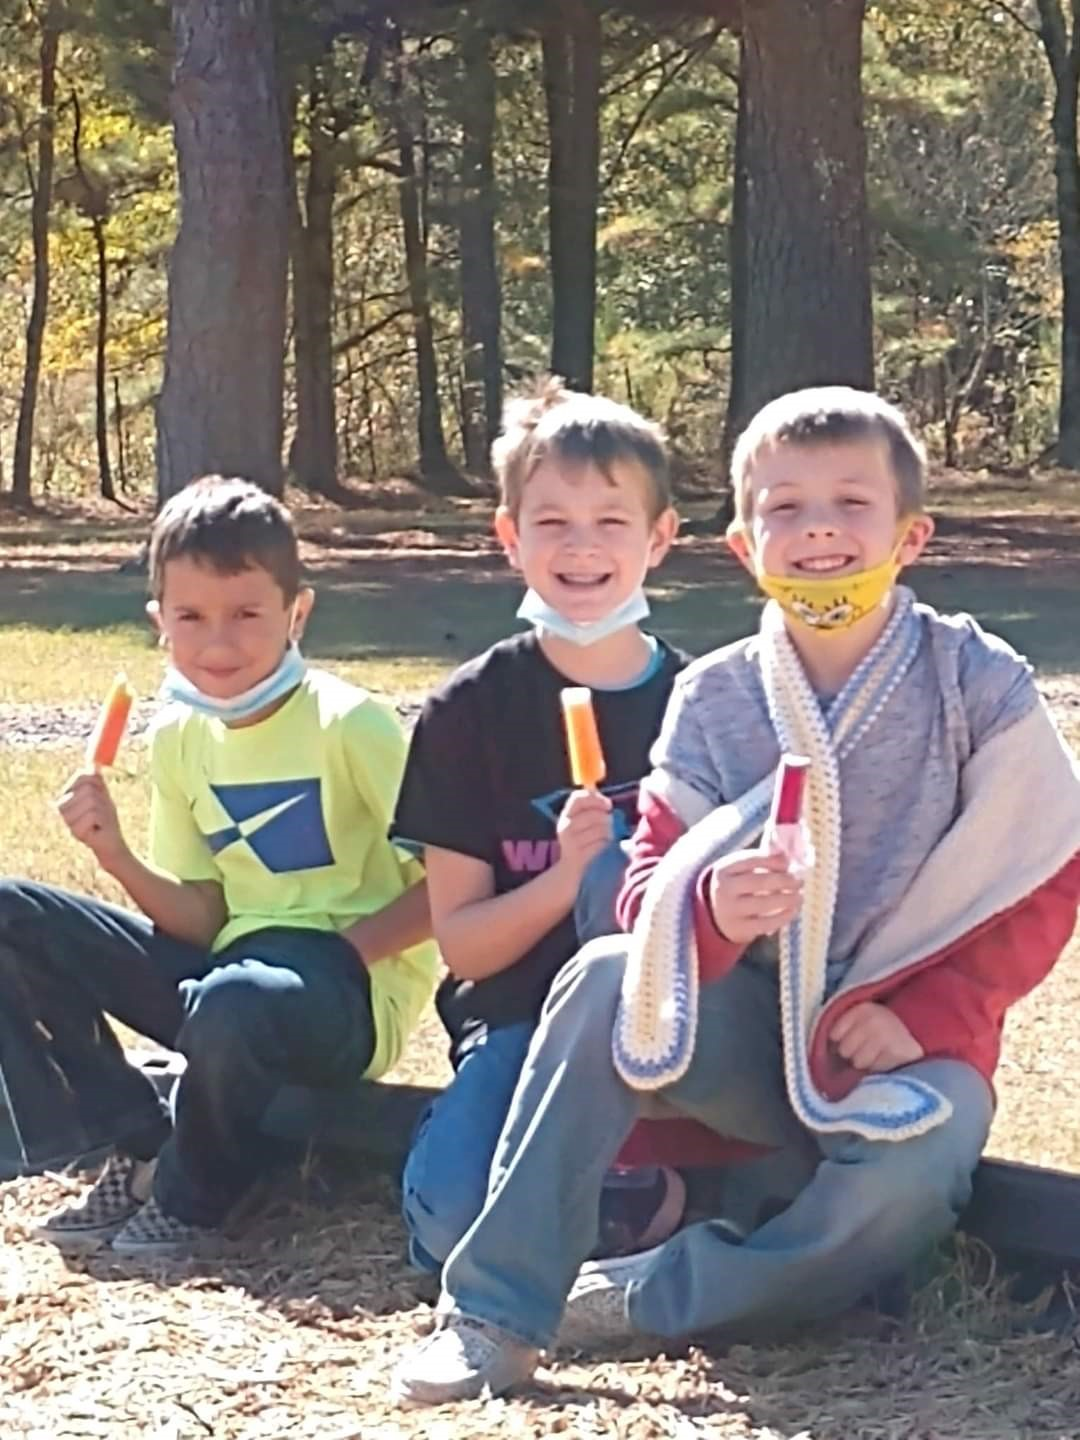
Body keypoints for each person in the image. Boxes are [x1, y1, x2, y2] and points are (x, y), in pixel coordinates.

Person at [391, 385, 1080, 1405]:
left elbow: (1042, 869)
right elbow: (641, 894)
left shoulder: (976, 681)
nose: (819, 531)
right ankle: (495, 1311)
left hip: (907, 1040)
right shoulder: (714, 696)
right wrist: (709, 911)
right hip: (748, 1029)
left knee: (904, 1189)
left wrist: (929, 1014)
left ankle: (642, 1296)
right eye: (786, 509)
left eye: (851, 503)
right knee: (606, 975)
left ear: (912, 533)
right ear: (745, 544)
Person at [0, 476, 436, 1256]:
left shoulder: (351, 724)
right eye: (190, 618)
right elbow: (201, 919)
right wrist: (115, 855)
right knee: (8, 912)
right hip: (228, 974)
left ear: (297, 613)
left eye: (247, 615)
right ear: (157, 623)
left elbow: (450, 884)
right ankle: (132, 1136)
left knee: (236, 998)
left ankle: (192, 1198)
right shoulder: (178, 737)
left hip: (345, 989)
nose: (218, 644)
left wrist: (346, 955)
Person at [390, 379, 688, 1276]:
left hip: (663, 1032)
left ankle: (652, 1191)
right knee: (451, 1232)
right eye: (551, 522)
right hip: (513, 1021)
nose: (583, 547)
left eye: (611, 520)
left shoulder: (703, 702)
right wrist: (563, 878)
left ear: (661, 538)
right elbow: (468, 947)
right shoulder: (464, 713)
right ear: (509, 537)